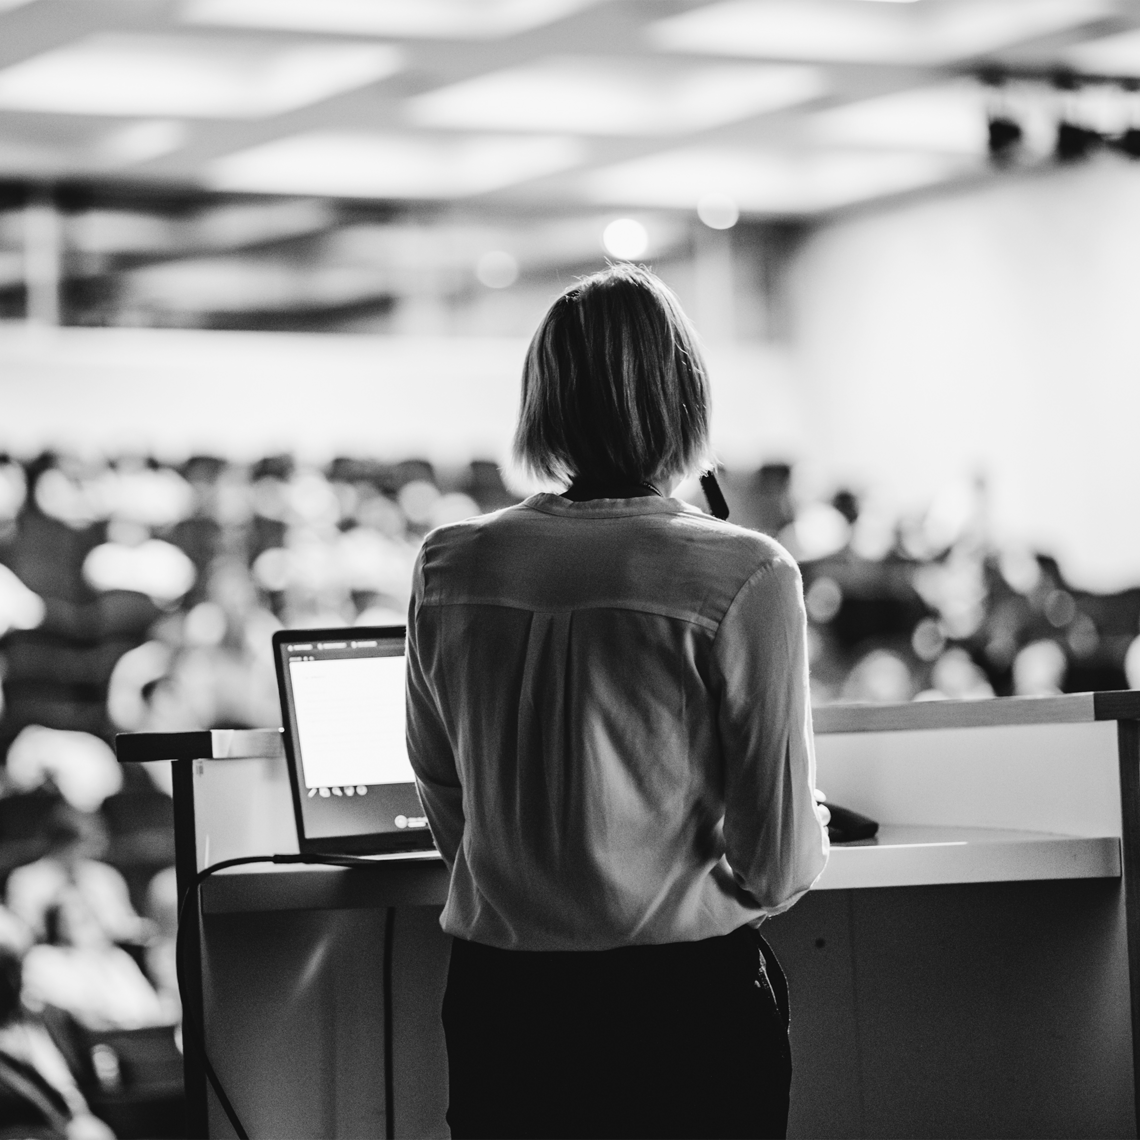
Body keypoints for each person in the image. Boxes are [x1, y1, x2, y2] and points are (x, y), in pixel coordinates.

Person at [405, 264, 829, 1140]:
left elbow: (443, 789)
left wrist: (536, 881)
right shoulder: (746, 572)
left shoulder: (451, 565)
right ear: (687, 402)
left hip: (502, 1004)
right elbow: (779, 863)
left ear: (542, 402)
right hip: (681, 1010)